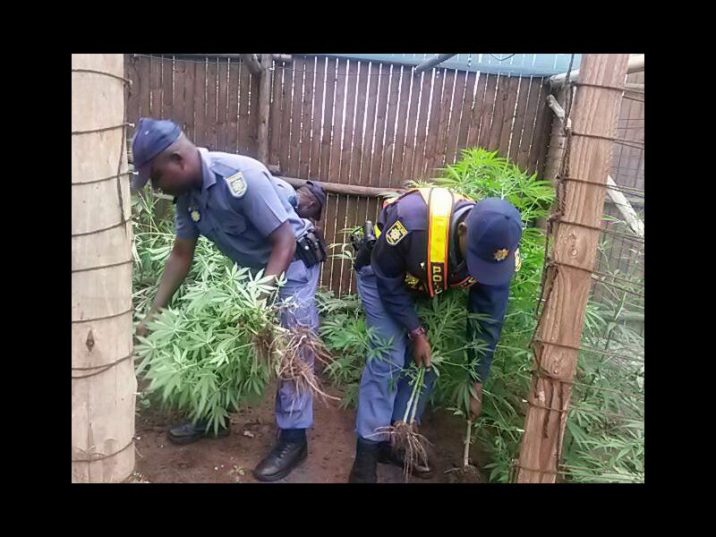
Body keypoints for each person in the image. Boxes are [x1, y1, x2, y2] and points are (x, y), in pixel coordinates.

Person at [132, 117, 326, 482]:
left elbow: (284, 243)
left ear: (178, 160)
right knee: (227, 337)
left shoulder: (241, 177)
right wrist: (153, 313)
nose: (156, 188)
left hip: (294, 262)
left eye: (156, 177)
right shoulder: (186, 196)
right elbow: (180, 254)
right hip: (254, 269)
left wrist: (257, 300)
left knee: (291, 349)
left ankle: (294, 439)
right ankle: (214, 415)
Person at [347, 187, 522, 483]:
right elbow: (387, 278)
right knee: (388, 358)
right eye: (475, 259)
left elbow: (487, 321)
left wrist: (476, 381)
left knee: (427, 364)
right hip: (382, 276)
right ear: (463, 230)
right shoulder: (411, 221)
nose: (479, 270)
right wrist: (416, 332)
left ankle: (398, 441)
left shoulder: (496, 251)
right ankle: (366, 456)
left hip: (426, 288)